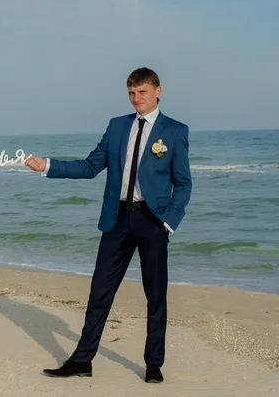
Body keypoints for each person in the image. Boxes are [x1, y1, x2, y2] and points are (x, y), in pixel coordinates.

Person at [25, 67, 192, 383]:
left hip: (153, 221)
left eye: (142, 92)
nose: (136, 99)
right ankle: (82, 361)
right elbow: (90, 166)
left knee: (155, 295)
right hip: (116, 219)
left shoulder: (174, 131)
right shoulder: (117, 127)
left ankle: (154, 363)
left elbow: (183, 182)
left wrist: (170, 221)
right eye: (131, 93)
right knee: (99, 292)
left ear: (158, 91)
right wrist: (46, 165)